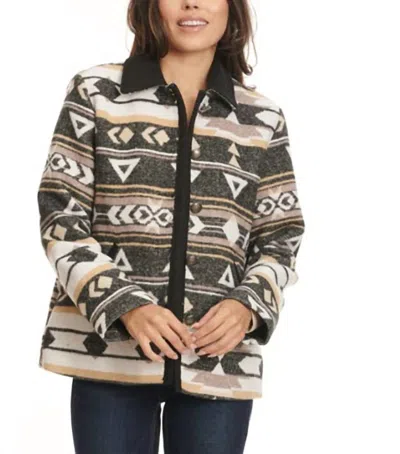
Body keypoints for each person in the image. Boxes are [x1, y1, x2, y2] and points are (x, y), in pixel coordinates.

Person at [36, 0, 306, 452]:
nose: (191, 3)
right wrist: (125, 306)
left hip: (218, 360)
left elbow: (280, 235)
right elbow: (60, 215)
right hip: (110, 358)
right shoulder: (97, 92)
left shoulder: (261, 118)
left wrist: (247, 306)